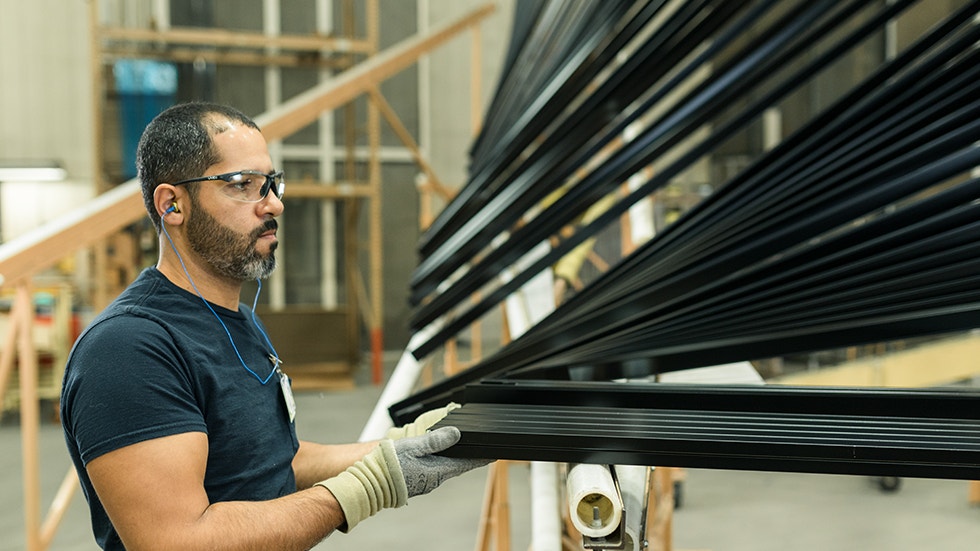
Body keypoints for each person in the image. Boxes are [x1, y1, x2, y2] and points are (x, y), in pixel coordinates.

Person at [61, 101, 489, 550]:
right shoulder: (128, 348)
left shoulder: (239, 322)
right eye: (243, 185)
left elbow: (277, 461)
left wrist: (400, 447)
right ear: (172, 205)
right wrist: (363, 488)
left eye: (271, 183)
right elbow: (176, 541)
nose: (275, 205)